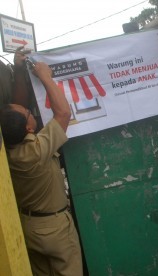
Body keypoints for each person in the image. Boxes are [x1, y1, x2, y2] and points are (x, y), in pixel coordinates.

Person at [0, 50, 83, 275]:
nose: (31, 112)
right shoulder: (36, 152)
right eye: (30, 113)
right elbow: (64, 113)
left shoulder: (8, 151)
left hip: (28, 227)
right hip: (54, 228)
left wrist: (18, 68)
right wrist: (45, 76)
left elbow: (13, 115)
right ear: (28, 128)